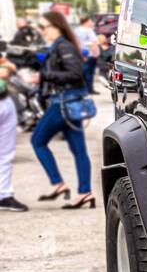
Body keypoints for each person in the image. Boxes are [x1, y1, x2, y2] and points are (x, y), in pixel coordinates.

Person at [30, 11, 94, 210]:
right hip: (69, 103)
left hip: (63, 103)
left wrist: (43, 76)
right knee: (78, 150)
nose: (42, 31)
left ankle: (58, 184)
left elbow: (74, 74)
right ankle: (85, 192)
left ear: (56, 26)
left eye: (45, 27)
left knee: (37, 140)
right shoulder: (61, 45)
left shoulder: (63, 46)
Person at [0, 56, 27, 212]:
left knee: (6, 154)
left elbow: (8, 67)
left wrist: (6, 68)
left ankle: (4, 195)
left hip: (4, 100)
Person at [76, 15, 98, 92]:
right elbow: (94, 43)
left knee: (83, 72)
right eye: (90, 21)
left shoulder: (76, 30)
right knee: (89, 72)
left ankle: (82, 88)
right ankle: (89, 89)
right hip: (90, 55)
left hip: (79, 54)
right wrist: (95, 54)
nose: (91, 23)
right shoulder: (89, 31)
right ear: (86, 22)